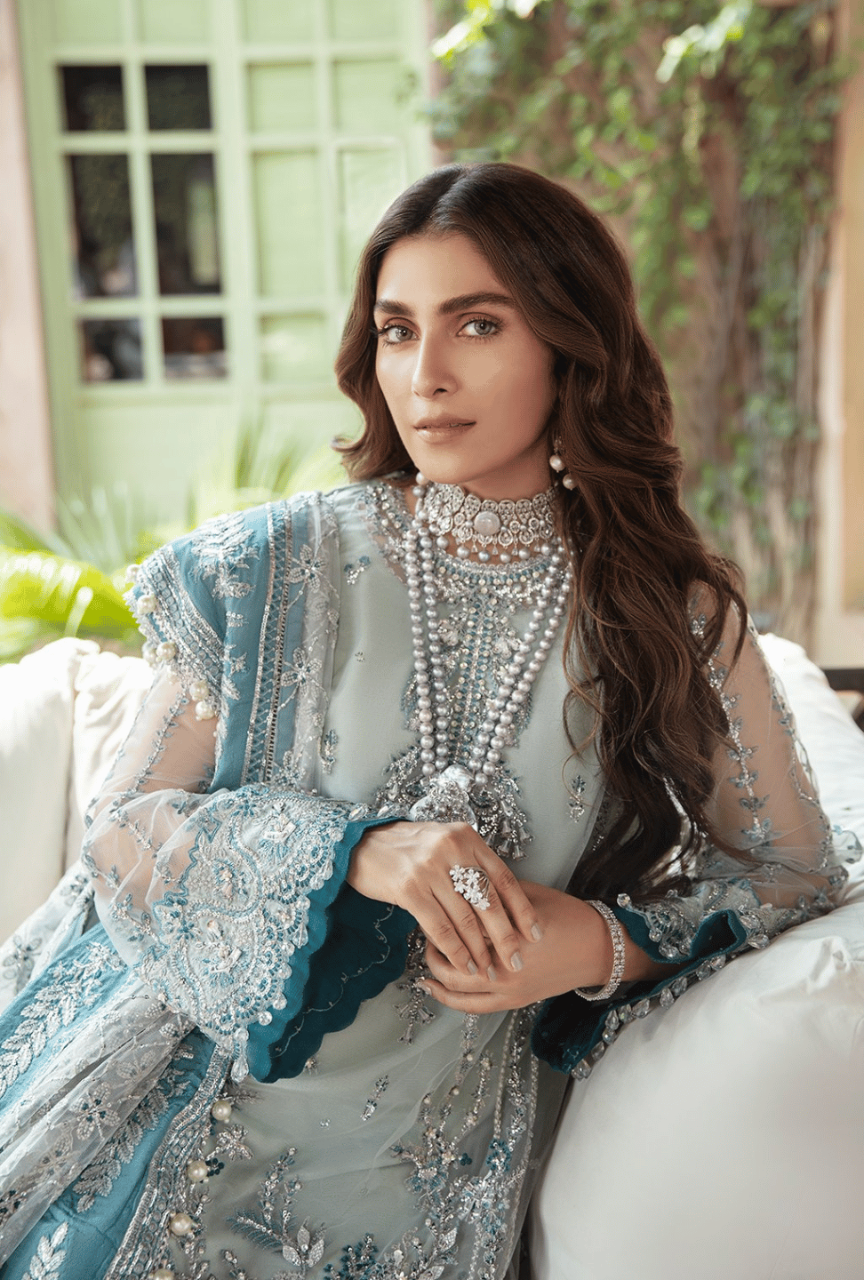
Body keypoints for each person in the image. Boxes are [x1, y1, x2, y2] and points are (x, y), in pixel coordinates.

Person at [0, 163, 850, 1280]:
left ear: (569, 344)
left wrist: (593, 943)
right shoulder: (268, 570)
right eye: (397, 332)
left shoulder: (668, 616)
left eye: (478, 324)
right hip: (161, 1111)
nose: (427, 375)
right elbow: (117, 831)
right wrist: (351, 852)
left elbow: (796, 872)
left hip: (419, 1187)